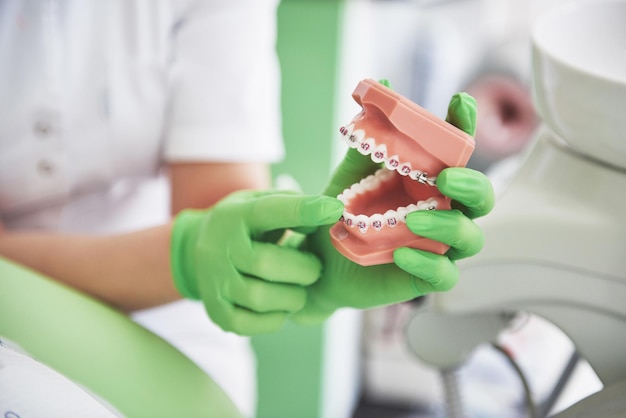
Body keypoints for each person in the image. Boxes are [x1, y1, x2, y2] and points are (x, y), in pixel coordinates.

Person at [0, 0, 494, 416]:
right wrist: (182, 256)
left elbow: (214, 204)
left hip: (164, 300)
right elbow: (193, 243)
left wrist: (296, 262)